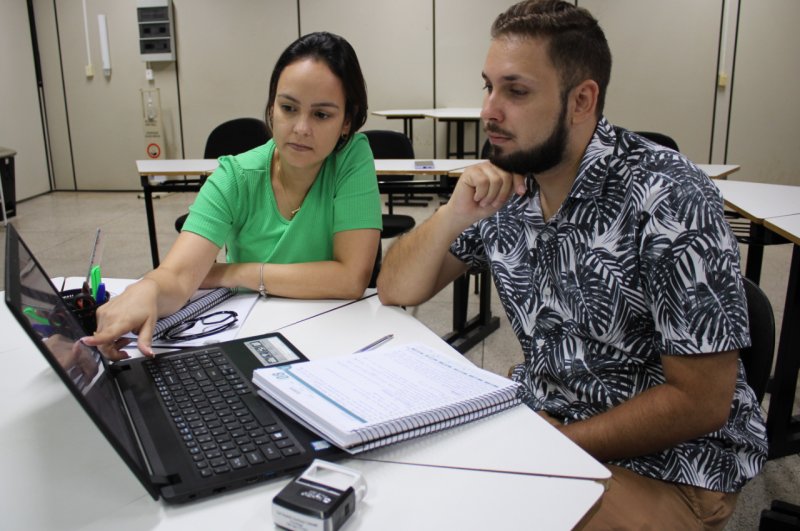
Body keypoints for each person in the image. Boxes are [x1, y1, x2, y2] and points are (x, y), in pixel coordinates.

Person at [376, 1, 767, 528]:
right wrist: (451, 214)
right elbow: (396, 289)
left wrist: (554, 444)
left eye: (515, 92)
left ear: (582, 100)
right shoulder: (507, 186)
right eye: (487, 86)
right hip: (547, 417)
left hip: (669, 466)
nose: (489, 111)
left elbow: (702, 401)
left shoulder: (669, 194)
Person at [87, 32, 382, 359]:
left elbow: (350, 278)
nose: (300, 128)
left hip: (334, 334)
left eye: (321, 115)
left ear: (347, 121)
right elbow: (178, 274)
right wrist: (149, 289)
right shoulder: (235, 175)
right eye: (288, 108)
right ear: (272, 107)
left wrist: (235, 272)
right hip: (253, 335)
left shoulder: (352, 158)